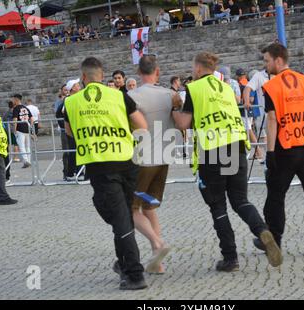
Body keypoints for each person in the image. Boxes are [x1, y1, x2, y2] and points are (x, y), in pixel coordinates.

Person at [172, 52, 282, 271]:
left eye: (193, 68)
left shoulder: (195, 89)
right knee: (240, 201)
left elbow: (184, 123)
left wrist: (174, 107)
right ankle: (263, 231)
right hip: (236, 146)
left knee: (218, 206)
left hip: (212, 151)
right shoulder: (226, 88)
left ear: (198, 68)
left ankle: (230, 258)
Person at [64, 57, 148, 290]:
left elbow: (70, 133)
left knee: (119, 219)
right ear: (102, 76)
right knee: (123, 217)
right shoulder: (119, 96)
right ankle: (123, 263)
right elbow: (142, 125)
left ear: (83, 77)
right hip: (127, 161)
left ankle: (134, 274)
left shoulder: (71, 102)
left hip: (100, 166)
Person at [258, 43, 304, 257]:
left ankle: (274, 240)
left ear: (278, 60)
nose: (265, 65)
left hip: (285, 146)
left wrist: (270, 152)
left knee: (275, 195)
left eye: (267, 60)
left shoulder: (272, 86)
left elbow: (272, 120)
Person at [128, 55, 182, 274]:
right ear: (157, 71)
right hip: (165, 157)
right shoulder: (171, 95)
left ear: (139, 72)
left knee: (130, 208)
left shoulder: (131, 96)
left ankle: (157, 243)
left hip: (142, 158)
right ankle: (157, 262)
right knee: (149, 206)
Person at [11, 94, 34, 168]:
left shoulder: (16, 108)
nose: (12, 101)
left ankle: (26, 161)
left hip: (20, 129)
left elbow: (15, 119)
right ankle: (29, 160)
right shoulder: (25, 107)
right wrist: (30, 127)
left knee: (21, 146)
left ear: (16, 99)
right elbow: (32, 118)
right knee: (27, 146)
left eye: (13, 99)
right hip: (27, 128)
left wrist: (14, 129)